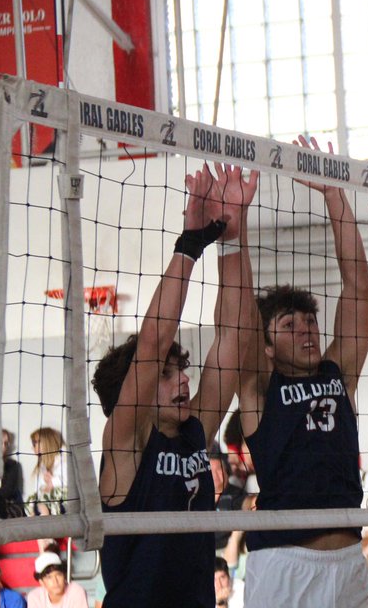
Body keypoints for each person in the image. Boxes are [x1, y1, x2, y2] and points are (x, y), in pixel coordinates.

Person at [92, 163, 257, 608]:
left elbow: (232, 338)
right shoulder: (126, 442)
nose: (183, 379)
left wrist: (233, 237)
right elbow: (152, 342)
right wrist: (188, 245)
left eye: (180, 369)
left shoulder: (193, 432)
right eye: (166, 374)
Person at [233, 136, 368, 608]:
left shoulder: (339, 373)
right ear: (267, 345)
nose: (307, 330)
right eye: (289, 325)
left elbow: (359, 283)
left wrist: (335, 194)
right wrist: (236, 225)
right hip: (284, 561)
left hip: (350, 557)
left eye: (310, 321)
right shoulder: (258, 386)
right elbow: (238, 318)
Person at [25, 427, 67, 518]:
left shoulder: (64, 461)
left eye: (34, 443)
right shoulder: (41, 467)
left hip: (62, 503)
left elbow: (68, 482)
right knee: (32, 504)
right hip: (45, 501)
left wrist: (52, 482)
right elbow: (38, 490)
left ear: (45, 443)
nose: (32, 447)